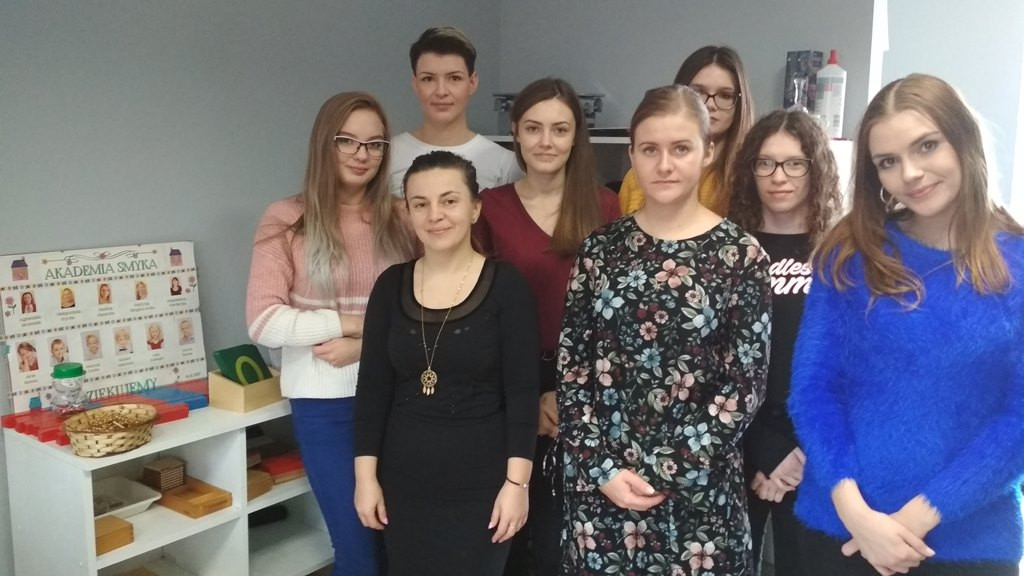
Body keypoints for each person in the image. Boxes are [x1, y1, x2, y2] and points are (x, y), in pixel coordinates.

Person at [788, 74, 1024, 576]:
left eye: (927, 146)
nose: (910, 174)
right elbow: (814, 390)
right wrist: (855, 513)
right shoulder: (850, 251)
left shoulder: (1018, 265)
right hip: (840, 533)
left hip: (967, 545)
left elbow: (1019, 420)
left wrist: (917, 518)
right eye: (888, 162)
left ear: (963, 139)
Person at [558, 85, 771, 575]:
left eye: (680, 148)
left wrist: (666, 468)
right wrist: (604, 469)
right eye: (650, 150)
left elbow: (744, 387)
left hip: (700, 499)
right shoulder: (600, 252)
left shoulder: (740, 257)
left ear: (707, 151)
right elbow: (572, 373)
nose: (665, 165)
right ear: (632, 154)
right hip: (603, 493)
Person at [246, 91, 415, 576]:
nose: (362, 154)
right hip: (326, 405)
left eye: (375, 144)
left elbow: (429, 310)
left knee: (402, 543)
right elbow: (264, 321)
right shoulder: (287, 217)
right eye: (348, 141)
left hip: (402, 396)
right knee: (359, 548)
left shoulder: (403, 216)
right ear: (325, 142)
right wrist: (353, 323)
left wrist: (365, 343)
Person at [354, 151, 540, 576]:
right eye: (420, 203)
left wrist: (517, 485)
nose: (435, 215)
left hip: (484, 485)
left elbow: (523, 395)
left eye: (449, 201)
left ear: (475, 208)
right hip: (403, 483)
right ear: (407, 213)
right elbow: (372, 393)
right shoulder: (389, 286)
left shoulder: (507, 286)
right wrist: (365, 479)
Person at [473, 77, 620, 576]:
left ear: (576, 136)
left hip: (585, 384)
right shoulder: (489, 207)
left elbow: (614, 314)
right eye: (534, 128)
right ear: (515, 131)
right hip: (505, 382)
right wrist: (527, 396)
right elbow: (477, 309)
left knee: (564, 536)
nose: (546, 141)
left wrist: (566, 392)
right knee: (505, 530)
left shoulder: (604, 207)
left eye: (560, 129)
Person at [727, 109, 842, 575]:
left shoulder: (841, 253)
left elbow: (851, 364)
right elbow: (709, 360)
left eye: (795, 163)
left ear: (816, 169)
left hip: (816, 448)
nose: (779, 177)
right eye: (765, 163)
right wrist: (765, 448)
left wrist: (800, 449)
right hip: (740, 443)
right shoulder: (727, 250)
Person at [618, 46, 754, 217]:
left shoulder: (751, 175)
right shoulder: (637, 178)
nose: (710, 104)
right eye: (698, 92)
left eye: (725, 95)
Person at [387, 26, 521, 196]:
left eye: (454, 78)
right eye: (428, 79)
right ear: (415, 84)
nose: (441, 91)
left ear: (472, 83)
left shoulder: (505, 165)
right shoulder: (388, 155)